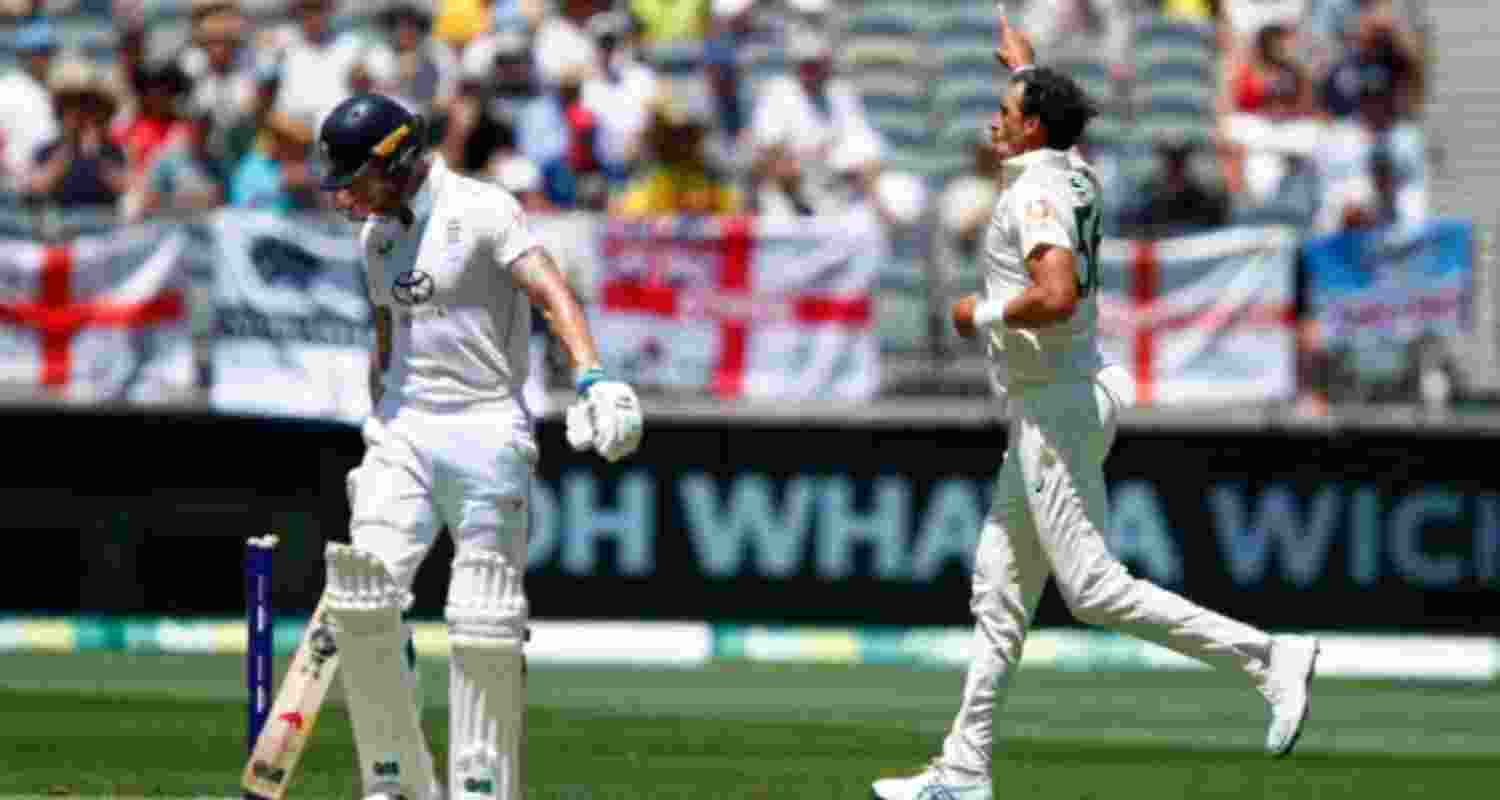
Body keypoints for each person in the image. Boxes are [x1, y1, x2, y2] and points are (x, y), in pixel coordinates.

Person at [870, 18, 1319, 800]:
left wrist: (978, 315)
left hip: (1056, 406)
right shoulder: (1067, 166)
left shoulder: (1042, 188)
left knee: (1093, 590)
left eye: (1006, 111)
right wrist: (1024, 65)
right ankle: (964, 770)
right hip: (1064, 393)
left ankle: (1267, 658)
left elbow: (1056, 294)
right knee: (999, 590)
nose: (992, 122)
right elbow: (1047, 128)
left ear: (1034, 126)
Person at [312, 93, 643, 800]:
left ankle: (483, 790)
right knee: (362, 600)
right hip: (405, 429)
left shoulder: (481, 209)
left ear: (396, 160)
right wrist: (380, 419)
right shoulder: (373, 236)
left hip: (487, 426)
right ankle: (395, 784)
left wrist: (592, 375)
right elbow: (385, 333)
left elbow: (552, 289)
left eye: (351, 177)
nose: (341, 194)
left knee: (483, 616)